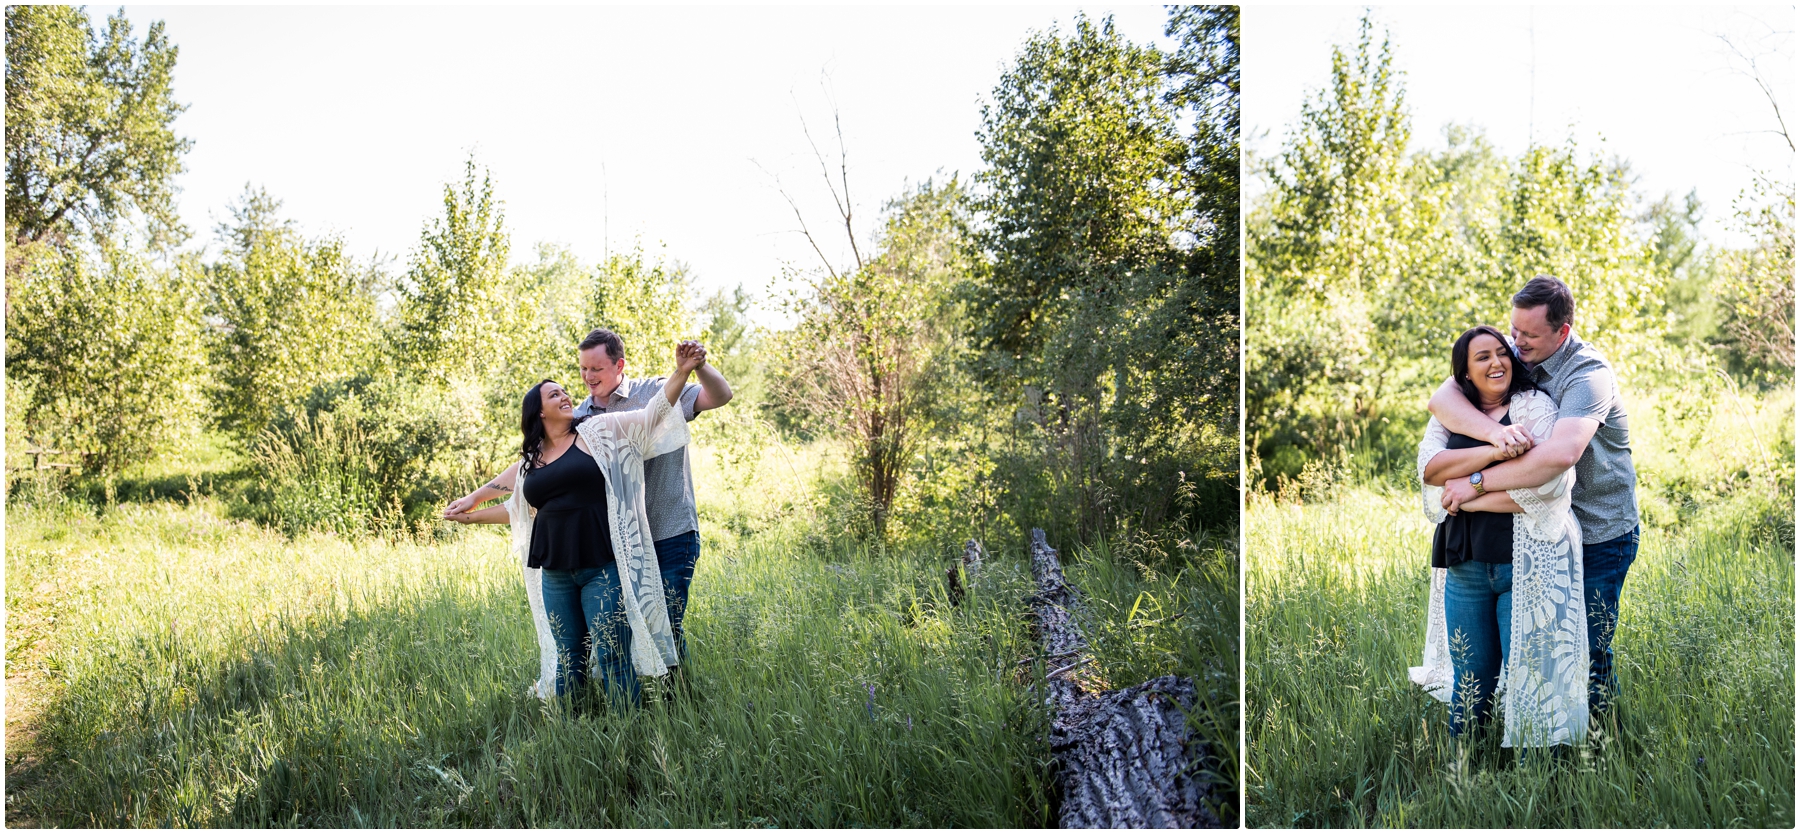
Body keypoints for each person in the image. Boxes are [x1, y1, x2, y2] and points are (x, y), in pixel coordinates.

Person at [447, 329, 733, 669]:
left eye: (596, 369)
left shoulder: (655, 391)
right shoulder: (579, 417)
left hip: (668, 529)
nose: (587, 377)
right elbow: (534, 463)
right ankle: (639, 697)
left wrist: (694, 366)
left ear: (618, 365)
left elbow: (719, 396)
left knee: (666, 625)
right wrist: (476, 498)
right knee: (626, 632)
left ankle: (677, 703)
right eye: (583, 369)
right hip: (621, 542)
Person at [1427, 276, 1640, 722]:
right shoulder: (1519, 347)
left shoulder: (1588, 375)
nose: (1515, 342)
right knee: (1542, 652)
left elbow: (1559, 457)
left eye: (1528, 335)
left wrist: (1475, 485)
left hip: (1599, 528)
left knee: (1585, 650)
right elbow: (1444, 395)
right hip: (1540, 530)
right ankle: (1538, 734)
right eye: (1513, 330)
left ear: (1562, 332)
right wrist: (1496, 435)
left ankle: (1603, 747)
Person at [1410, 324, 1588, 749]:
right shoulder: (1451, 415)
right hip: (1465, 565)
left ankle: (1536, 774)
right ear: (1464, 374)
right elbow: (1431, 471)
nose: (1496, 363)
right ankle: (1461, 770)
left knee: (1530, 671)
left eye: (1501, 353)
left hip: (1523, 565)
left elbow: (1549, 490)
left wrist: (1468, 491)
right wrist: (1494, 450)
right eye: (1482, 357)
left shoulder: (1535, 409)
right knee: (1470, 678)